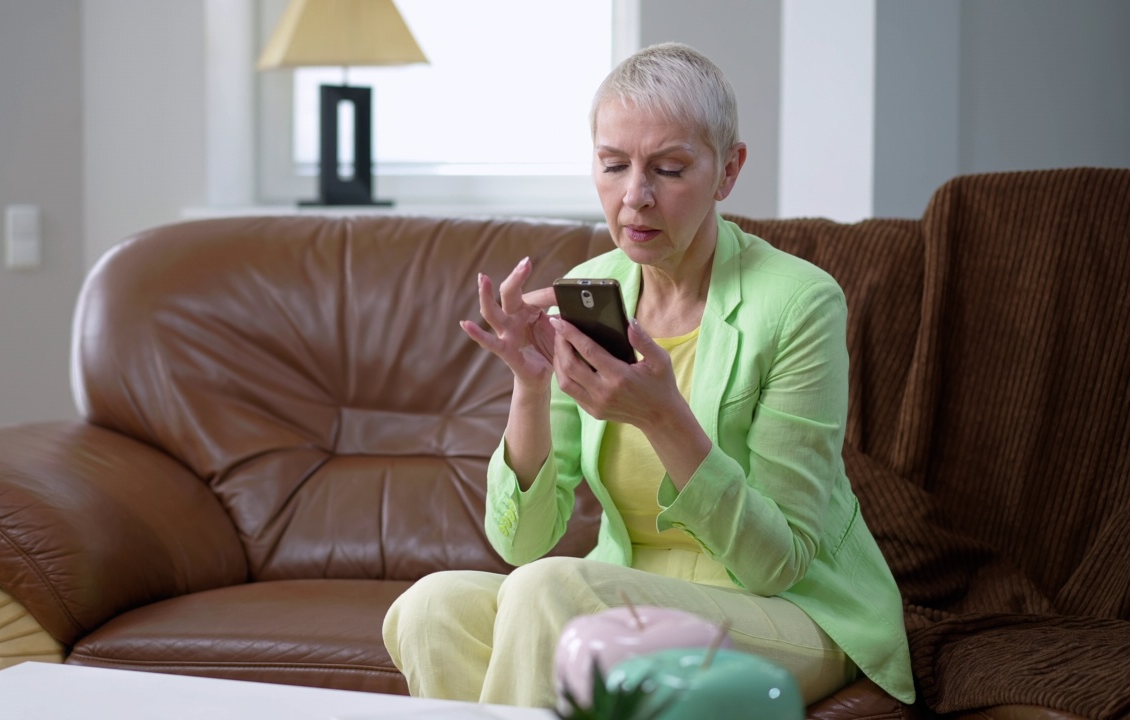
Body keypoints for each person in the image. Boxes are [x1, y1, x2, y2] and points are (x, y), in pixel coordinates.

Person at [382, 42, 915, 709]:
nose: (635, 197)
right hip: (631, 589)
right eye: (613, 165)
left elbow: (778, 562)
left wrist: (662, 417)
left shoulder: (799, 303)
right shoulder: (591, 291)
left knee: (549, 590)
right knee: (435, 605)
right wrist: (530, 384)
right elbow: (523, 544)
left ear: (727, 171)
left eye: (667, 168)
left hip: (788, 611)